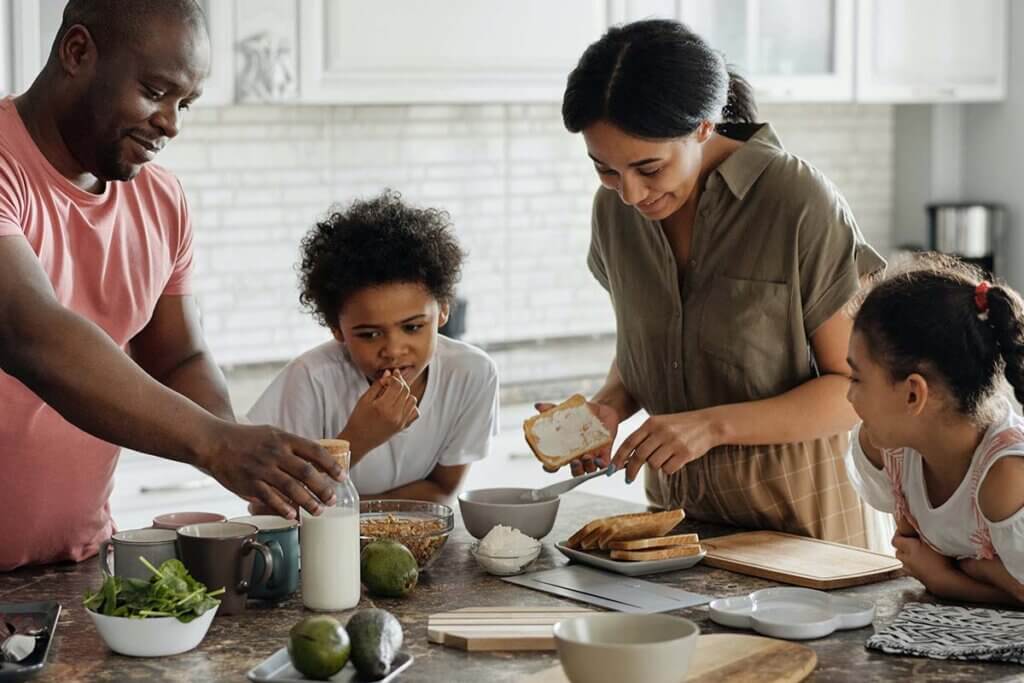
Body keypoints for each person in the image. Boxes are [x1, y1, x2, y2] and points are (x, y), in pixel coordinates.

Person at [0, 0, 341, 571]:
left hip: (78, 564)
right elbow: (27, 330)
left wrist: (248, 458)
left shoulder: (161, 200)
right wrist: (214, 443)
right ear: (77, 52)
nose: (172, 123)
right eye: (156, 91)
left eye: (185, 103)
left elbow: (179, 355)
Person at [546, 19, 886, 545]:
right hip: (677, 533)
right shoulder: (613, 213)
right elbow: (650, 348)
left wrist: (711, 426)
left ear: (705, 126)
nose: (631, 194)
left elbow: (856, 391)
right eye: (606, 170)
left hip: (805, 534)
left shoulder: (795, 201)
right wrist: (608, 408)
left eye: (649, 168)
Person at [247, 191, 499, 504]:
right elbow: (268, 505)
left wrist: (351, 511)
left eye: (412, 327)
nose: (393, 350)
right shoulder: (311, 380)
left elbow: (443, 489)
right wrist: (358, 439)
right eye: (369, 334)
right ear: (336, 329)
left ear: (443, 310)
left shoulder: (472, 374)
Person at [845, 254, 1024, 604]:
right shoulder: (889, 447)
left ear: (914, 393)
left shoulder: (1006, 478)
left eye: (856, 377)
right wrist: (984, 573)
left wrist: (945, 579)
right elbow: (910, 547)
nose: (848, 395)